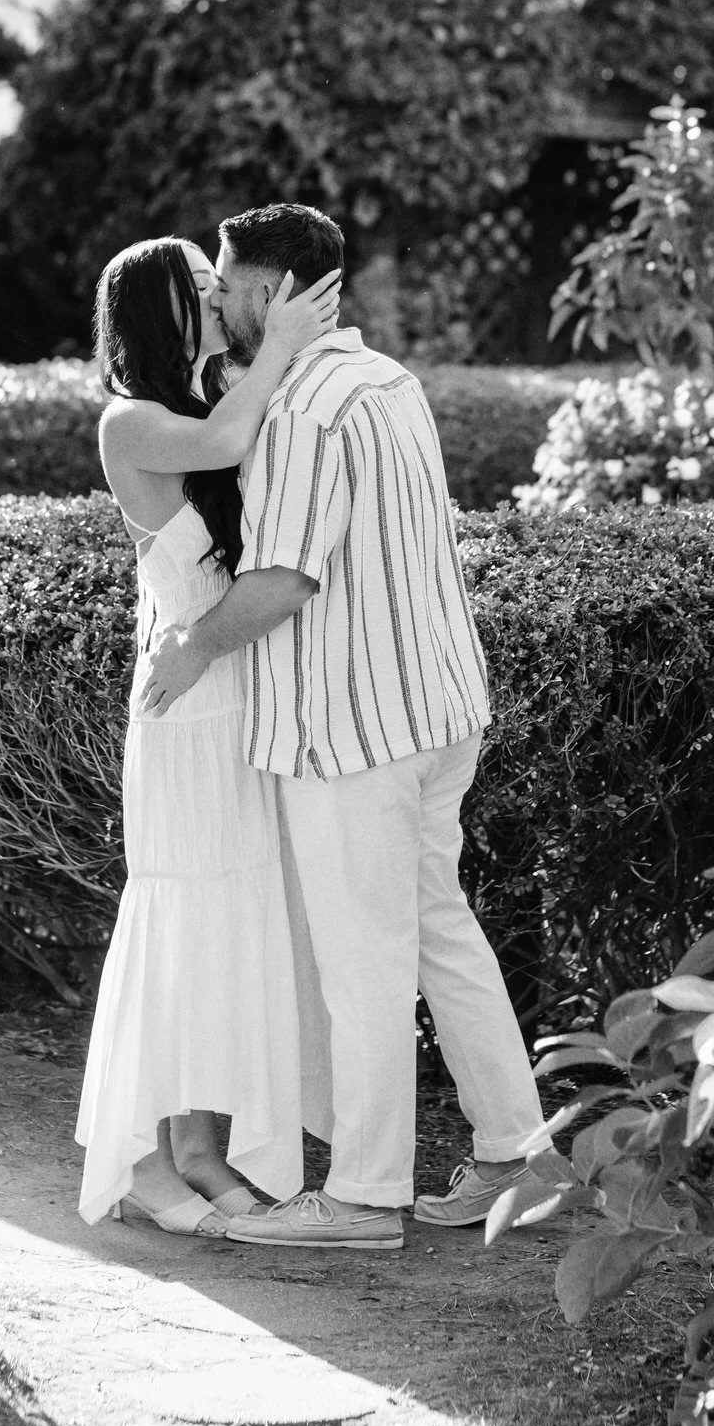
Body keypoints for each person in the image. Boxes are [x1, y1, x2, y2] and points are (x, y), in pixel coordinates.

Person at [142, 202, 545, 1252]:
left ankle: (365, 1197)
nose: (217, 299)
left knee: (365, 960)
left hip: (352, 728)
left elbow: (280, 581)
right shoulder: (386, 380)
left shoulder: (309, 411)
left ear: (273, 294)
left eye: (228, 283)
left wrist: (193, 647)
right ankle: (517, 1148)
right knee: (438, 928)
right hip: (437, 706)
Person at [76, 234, 342, 1236]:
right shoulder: (130, 422)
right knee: (180, 928)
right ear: (155, 310)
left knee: (232, 926)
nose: (211, 293)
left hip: (238, 700)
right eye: (195, 286)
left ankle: (200, 1149)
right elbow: (233, 442)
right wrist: (278, 342)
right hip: (183, 715)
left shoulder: (200, 399)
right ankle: (142, 1155)